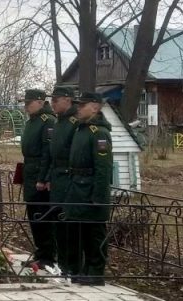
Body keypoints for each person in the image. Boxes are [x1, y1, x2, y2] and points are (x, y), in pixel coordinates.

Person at [64, 91, 112, 286]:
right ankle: (83, 269)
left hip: (90, 189)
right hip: (77, 187)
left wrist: (98, 197)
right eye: (78, 104)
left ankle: (96, 271)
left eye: (82, 105)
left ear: (95, 106)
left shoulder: (99, 133)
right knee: (80, 233)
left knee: (94, 234)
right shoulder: (80, 129)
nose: (78, 108)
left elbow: (103, 168)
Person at [20, 89, 57, 268]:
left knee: (42, 216)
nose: (26, 106)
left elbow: (47, 153)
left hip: (39, 175)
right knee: (33, 215)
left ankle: (48, 255)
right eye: (25, 103)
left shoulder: (47, 121)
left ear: (41, 102)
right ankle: (40, 251)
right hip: (29, 172)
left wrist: (43, 178)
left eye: (29, 103)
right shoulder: (32, 121)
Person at [48, 85, 78, 276]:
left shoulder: (74, 122)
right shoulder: (58, 122)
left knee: (69, 224)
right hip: (57, 177)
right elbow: (53, 153)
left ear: (67, 100)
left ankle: (73, 265)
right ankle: (62, 262)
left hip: (69, 177)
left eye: (55, 100)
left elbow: (74, 153)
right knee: (57, 221)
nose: (52, 104)